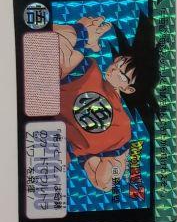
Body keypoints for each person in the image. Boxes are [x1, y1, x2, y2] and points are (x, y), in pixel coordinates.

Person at [52, 13, 159, 192]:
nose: (114, 69)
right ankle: (82, 32)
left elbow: (107, 183)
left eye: (122, 74)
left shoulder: (122, 126)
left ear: (129, 89)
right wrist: (81, 36)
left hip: (54, 138)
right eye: (118, 63)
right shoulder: (90, 71)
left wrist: (106, 164)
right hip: (53, 90)